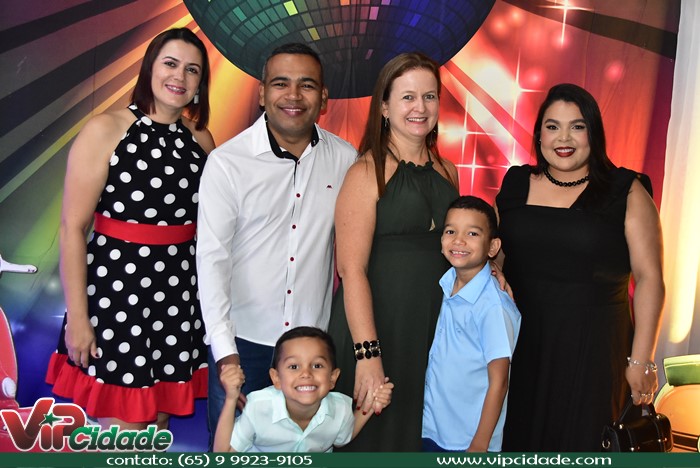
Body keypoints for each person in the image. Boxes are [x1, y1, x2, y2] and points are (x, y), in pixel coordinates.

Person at [46, 28, 215, 429]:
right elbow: (72, 228)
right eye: (170, 63)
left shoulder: (202, 140)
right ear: (150, 68)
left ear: (200, 84)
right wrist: (79, 319)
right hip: (116, 297)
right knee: (125, 434)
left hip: (179, 299)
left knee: (156, 428)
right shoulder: (106, 129)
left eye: (192, 70)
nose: (180, 76)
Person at [196, 43, 356, 446]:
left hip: (311, 354)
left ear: (323, 98)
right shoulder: (228, 163)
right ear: (262, 92)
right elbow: (211, 261)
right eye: (281, 83)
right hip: (242, 345)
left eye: (307, 85)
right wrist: (225, 351)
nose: (293, 95)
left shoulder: (346, 159)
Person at [496, 83, 664, 451]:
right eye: (552, 126)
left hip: (595, 352)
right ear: (539, 134)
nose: (563, 138)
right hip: (524, 347)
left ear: (594, 134)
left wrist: (642, 360)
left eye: (577, 126)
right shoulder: (515, 183)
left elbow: (650, 278)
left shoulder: (627, 190)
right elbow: (498, 262)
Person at [327, 52, 460, 451]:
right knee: (373, 442)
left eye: (429, 96)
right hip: (378, 328)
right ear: (384, 107)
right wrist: (368, 355)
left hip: (430, 330)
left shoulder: (448, 171)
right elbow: (351, 270)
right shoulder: (366, 172)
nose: (420, 107)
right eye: (408, 97)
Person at [422, 196, 520, 453]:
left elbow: (499, 381)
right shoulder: (445, 283)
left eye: (472, 233)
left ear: (493, 246)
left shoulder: (493, 306)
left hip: (467, 440)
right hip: (433, 427)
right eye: (450, 231)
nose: (459, 240)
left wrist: (479, 444)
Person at [213, 326, 394, 452]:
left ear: (333, 378)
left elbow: (342, 438)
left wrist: (373, 402)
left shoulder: (341, 409)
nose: (306, 374)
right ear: (276, 378)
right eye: (294, 367)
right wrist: (231, 398)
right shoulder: (258, 407)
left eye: (317, 365)